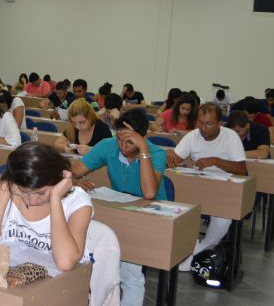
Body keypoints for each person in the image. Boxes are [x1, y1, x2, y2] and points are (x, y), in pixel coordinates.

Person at [0, 143, 121, 306]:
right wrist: (5, 186)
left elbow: (65, 263)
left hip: (62, 290)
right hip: (16, 285)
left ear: (58, 180)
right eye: (24, 192)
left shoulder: (76, 201)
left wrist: (55, 198)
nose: (32, 200)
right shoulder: (11, 189)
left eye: (41, 193)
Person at [71, 108, 167, 306]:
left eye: (130, 141)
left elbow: (149, 193)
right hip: (120, 212)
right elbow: (73, 172)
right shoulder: (109, 146)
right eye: (119, 139)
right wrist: (77, 181)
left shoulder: (156, 154)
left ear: (142, 138)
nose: (122, 146)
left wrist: (144, 151)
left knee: (130, 274)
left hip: (150, 218)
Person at [165, 103, 246, 271]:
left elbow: (242, 170)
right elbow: (175, 159)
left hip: (224, 189)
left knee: (223, 218)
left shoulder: (230, 137)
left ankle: (199, 251)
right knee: (175, 207)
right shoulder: (193, 136)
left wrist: (215, 161)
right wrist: (169, 158)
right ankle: (183, 249)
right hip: (198, 185)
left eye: (209, 124)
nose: (203, 128)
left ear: (220, 124)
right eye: (200, 123)